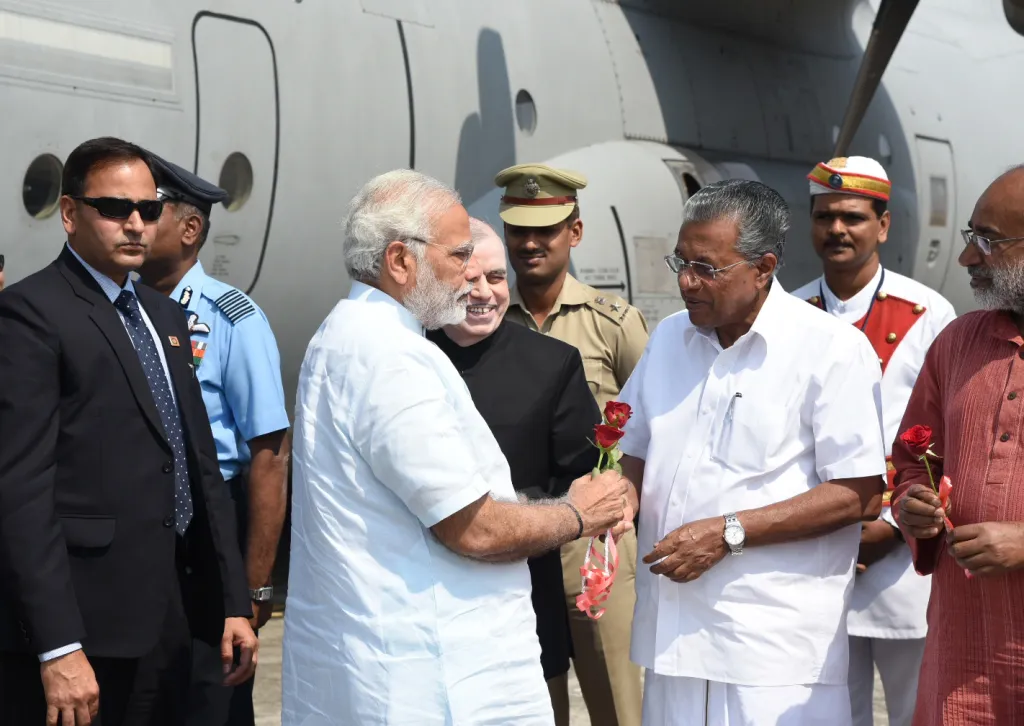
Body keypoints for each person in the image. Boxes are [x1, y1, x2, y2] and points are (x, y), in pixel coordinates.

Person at [282, 169, 632, 726]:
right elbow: (474, 529)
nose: (470, 275)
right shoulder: (392, 356)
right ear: (400, 261)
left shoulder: (349, 335)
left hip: (389, 664)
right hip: (432, 678)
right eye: (459, 254)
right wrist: (576, 514)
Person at [0, 137, 256, 726]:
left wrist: (232, 602)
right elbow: (21, 494)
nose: (136, 223)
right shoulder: (32, 315)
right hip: (92, 628)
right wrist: (58, 646)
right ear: (70, 215)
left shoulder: (164, 316)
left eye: (149, 208)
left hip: (181, 615)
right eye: (115, 209)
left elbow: (200, 465)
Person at [616, 179, 887, 726]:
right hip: (673, 637)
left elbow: (858, 494)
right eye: (681, 262)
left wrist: (728, 532)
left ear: (763, 268)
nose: (687, 282)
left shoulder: (830, 349)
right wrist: (615, 498)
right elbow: (634, 451)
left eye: (707, 268)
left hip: (771, 649)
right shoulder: (669, 338)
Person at [792, 156, 956, 726]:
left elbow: (943, 429)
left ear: (882, 226)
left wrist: (890, 527)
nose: (837, 229)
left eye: (853, 217)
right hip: (817, 546)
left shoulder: (929, 313)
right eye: (825, 216)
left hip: (903, 553)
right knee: (829, 709)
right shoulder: (789, 314)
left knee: (919, 707)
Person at [427, 218, 601, 725]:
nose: (484, 292)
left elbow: (584, 475)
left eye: (497, 278)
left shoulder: (552, 363)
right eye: (469, 278)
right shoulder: (408, 356)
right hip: (427, 597)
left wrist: (517, 514)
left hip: (522, 590)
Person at [136, 154, 290, 726]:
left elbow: (269, 460)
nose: (135, 224)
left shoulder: (232, 320)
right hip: (141, 533)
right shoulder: (124, 313)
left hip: (209, 524)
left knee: (211, 699)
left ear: (191, 228)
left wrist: (254, 588)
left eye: (150, 212)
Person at [496, 163, 647, 726]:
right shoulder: (487, 326)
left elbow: (649, 429)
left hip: (597, 548)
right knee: (533, 704)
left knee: (619, 703)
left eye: (547, 230)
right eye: (518, 231)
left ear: (575, 234)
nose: (530, 243)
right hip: (518, 538)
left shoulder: (614, 324)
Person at [893, 165, 1024, 725]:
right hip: (962, 653)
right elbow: (910, 464)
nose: (968, 257)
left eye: (987, 241)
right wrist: (913, 506)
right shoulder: (957, 343)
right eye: (972, 237)